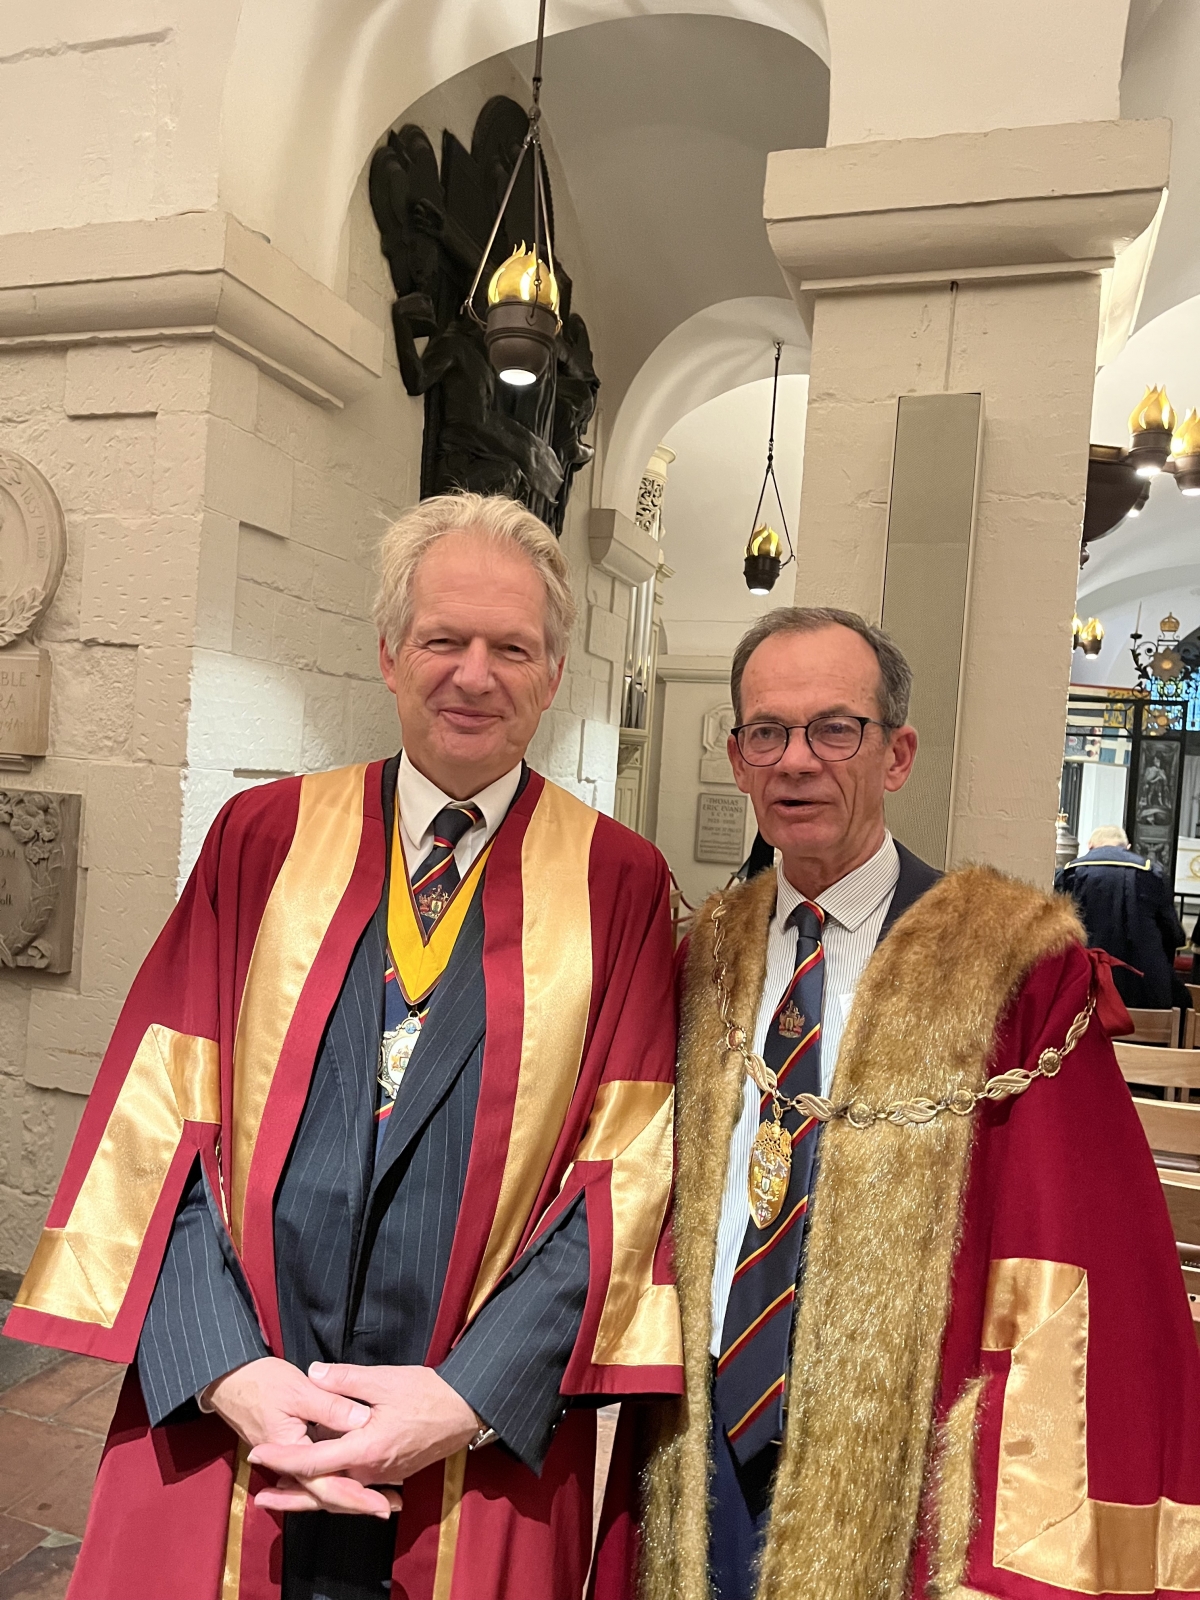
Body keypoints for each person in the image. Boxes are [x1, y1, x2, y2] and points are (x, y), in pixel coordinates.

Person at [6, 493, 682, 1600]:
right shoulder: (263, 838)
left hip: (471, 1441)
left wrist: (468, 1396)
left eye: (511, 646)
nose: (474, 673)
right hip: (240, 1423)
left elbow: (631, 1176)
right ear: (387, 654)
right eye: (442, 640)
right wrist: (225, 1369)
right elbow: (156, 1124)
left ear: (555, 671)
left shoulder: (621, 883)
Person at [595, 607, 1200, 1600]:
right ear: (740, 759)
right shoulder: (707, 954)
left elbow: (1073, 1271)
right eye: (766, 732)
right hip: (702, 1435)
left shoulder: (1012, 966)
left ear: (897, 754)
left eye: (835, 729)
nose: (797, 761)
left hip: (904, 1469)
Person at [1055, 823, 1188, 1011]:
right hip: (1145, 994)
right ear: (1127, 847)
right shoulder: (1152, 874)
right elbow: (1173, 935)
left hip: (1084, 992)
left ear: (1090, 846)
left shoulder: (1069, 873)